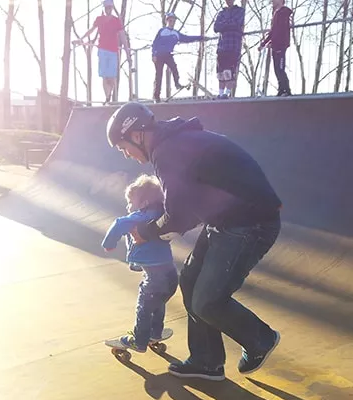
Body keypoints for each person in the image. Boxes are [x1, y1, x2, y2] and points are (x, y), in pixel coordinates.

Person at [106, 102, 282, 381]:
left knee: (207, 302)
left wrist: (147, 232)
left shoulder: (167, 151)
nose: (126, 154)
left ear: (137, 135)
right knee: (189, 280)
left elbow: (179, 216)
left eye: (123, 147)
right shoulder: (174, 143)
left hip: (250, 224)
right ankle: (206, 360)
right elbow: (186, 203)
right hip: (227, 220)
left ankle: (260, 338)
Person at [102, 174, 178, 352]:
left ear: (143, 203)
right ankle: (155, 333)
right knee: (159, 303)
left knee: (143, 307)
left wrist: (109, 244)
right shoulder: (163, 216)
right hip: (171, 275)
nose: (128, 206)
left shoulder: (138, 218)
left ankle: (139, 340)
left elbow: (118, 224)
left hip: (154, 277)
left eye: (130, 202)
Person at [77, 0, 133, 105]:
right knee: (104, 76)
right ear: (104, 8)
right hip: (102, 50)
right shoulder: (99, 19)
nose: (108, 10)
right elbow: (91, 30)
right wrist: (81, 39)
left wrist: (127, 53)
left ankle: (109, 94)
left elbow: (122, 37)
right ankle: (107, 97)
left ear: (112, 8)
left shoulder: (116, 21)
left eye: (110, 8)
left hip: (113, 51)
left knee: (111, 77)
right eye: (107, 8)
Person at [152, 12, 206, 103]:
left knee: (174, 67)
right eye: (170, 20)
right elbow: (155, 43)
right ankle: (156, 96)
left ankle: (177, 83)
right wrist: (153, 54)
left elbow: (187, 38)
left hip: (168, 54)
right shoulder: (162, 31)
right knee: (159, 75)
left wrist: (200, 37)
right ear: (167, 21)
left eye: (173, 20)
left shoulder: (176, 34)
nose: (172, 22)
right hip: (159, 55)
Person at [259, 0, 293, 97]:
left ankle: (286, 89)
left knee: (280, 68)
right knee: (277, 69)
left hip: (281, 45)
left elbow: (280, 30)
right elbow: (273, 31)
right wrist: (264, 43)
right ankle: (281, 89)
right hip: (275, 45)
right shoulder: (276, 14)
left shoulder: (284, 13)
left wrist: (272, 40)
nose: (272, 1)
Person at [213, 0, 245, 99]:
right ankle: (221, 93)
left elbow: (237, 23)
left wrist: (224, 24)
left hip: (233, 45)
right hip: (222, 46)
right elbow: (216, 27)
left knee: (229, 72)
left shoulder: (240, 11)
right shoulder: (221, 12)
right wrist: (228, 24)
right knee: (220, 72)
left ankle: (227, 93)